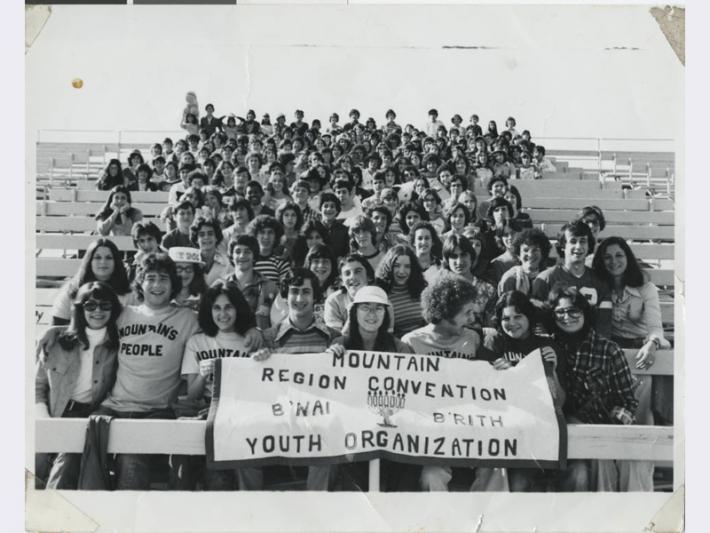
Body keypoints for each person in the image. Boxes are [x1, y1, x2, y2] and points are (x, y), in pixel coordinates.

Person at [402, 274, 504, 492]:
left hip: (470, 429)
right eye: (465, 312)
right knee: (432, 476)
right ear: (444, 313)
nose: (471, 318)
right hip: (432, 434)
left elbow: (487, 380)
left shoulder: (473, 339)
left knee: (497, 468)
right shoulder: (411, 342)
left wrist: (503, 371)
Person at [591, 236, 671, 490]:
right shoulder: (598, 286)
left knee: (639, 422)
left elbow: (656, 328)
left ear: (628, 257)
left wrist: (651, 343)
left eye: (619, 255)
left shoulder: (645, 288)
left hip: (639, 354)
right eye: (607, 257)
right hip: (608, 356)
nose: (614, 261)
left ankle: (638, 486)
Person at [252, 269, 340, 491]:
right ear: (285, 295)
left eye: (306, 292)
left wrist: (339, 357)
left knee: (327, 436)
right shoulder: (269, 338)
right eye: (294, 292)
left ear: (315, 296)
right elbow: (258, 386)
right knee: (245, 440)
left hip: (318, 418)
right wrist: (259, 361)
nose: (299, 299)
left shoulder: (332, 338)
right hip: (278, 417)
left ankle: (315, 512)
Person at [546, 285, 638, 492]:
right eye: (560, 312)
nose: (566, 317)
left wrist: (606, 436)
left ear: (585, 313)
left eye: (573, 311)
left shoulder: (608, 350)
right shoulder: (547, 348)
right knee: (577, 473)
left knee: (592, 467)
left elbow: (627, 403)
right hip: (559, 437)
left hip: (601, 432)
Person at [35, 281, 121, 489]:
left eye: (105, 305)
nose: (97, 311)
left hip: (91, 418)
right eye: (90, 306)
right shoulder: (56, 341)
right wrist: (45, 420)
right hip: (53, 414)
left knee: (69, 459)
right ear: (80, 309)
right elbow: (37, 386)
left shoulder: (120, 344)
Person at [482, 290, 567, 491]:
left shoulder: (546, 346)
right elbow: (484, 396)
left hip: (540, 430)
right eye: (506, 318)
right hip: (507, 431)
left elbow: (560, 402)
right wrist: (497, 376)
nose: (512, 323)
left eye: (518, 316)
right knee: (518, 483)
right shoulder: (495, 343)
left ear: (529, 316)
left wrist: (553, 373)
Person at [179, 281, 258, 490]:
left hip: (240, 414)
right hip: (206, 412)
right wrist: (203, 375)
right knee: (213, 477)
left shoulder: (249, 341)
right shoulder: (197, 342)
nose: (223, 314)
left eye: (228, 307)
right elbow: (191, 395)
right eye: (216, 308)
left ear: (238, 309)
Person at [532, 220, 612, 338]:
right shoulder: (545, 279)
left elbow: (603, 326)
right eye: (573, 241)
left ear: (589, 245)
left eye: (583, 241)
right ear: (563, 246)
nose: (578, 246)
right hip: (556, 345)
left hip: (590, 348)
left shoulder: (600, 281)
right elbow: (538, 325)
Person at [51, 238, 133, 325]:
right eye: (97, 257)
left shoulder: (130, 293)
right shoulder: (72, 289)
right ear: (89, 261)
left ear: (116, 261)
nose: (103, 262)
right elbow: (57, 324)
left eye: (109, 258)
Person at [441, 234, 497, 330]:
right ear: (447, 260)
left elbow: (491, 326)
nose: (459, 262)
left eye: (463, 255)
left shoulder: (488, 289)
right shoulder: (440, 289)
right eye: (454, 256)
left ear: (471, 256)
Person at [225, 236, 278, 330]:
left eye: (247, 251)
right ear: (231, 256)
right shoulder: (222, 285)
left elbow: (278, 322)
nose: (242, 256)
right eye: (237, 252)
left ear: (254, 256)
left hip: (259, 342)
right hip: (228, 341)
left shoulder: (270, 287)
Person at [375, 245, 427, 338]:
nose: (402, 271)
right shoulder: (380, 293)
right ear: (388, 266)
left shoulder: (421, 289)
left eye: (407, 266)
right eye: (397, 266)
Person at [498, 228, 552, 301]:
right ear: (518, 254)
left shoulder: (550, 278)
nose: (530, 254)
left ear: (543, 253)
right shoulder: (510, 279)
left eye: (535, 250)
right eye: (525, 250)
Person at [247, 215, 291, 283]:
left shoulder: (280, 261)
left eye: (270, 232)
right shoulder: (248, 260)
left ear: (276, 236)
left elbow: (285, 288)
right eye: (262, 232)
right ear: (255, 235)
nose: (266, 237)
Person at [190, 216, 232, 286]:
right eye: (202, 235)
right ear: (196, 240)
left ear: (216, 237)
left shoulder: (227, 263)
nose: (206, 237)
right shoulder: (191, 261)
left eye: (210, 233)